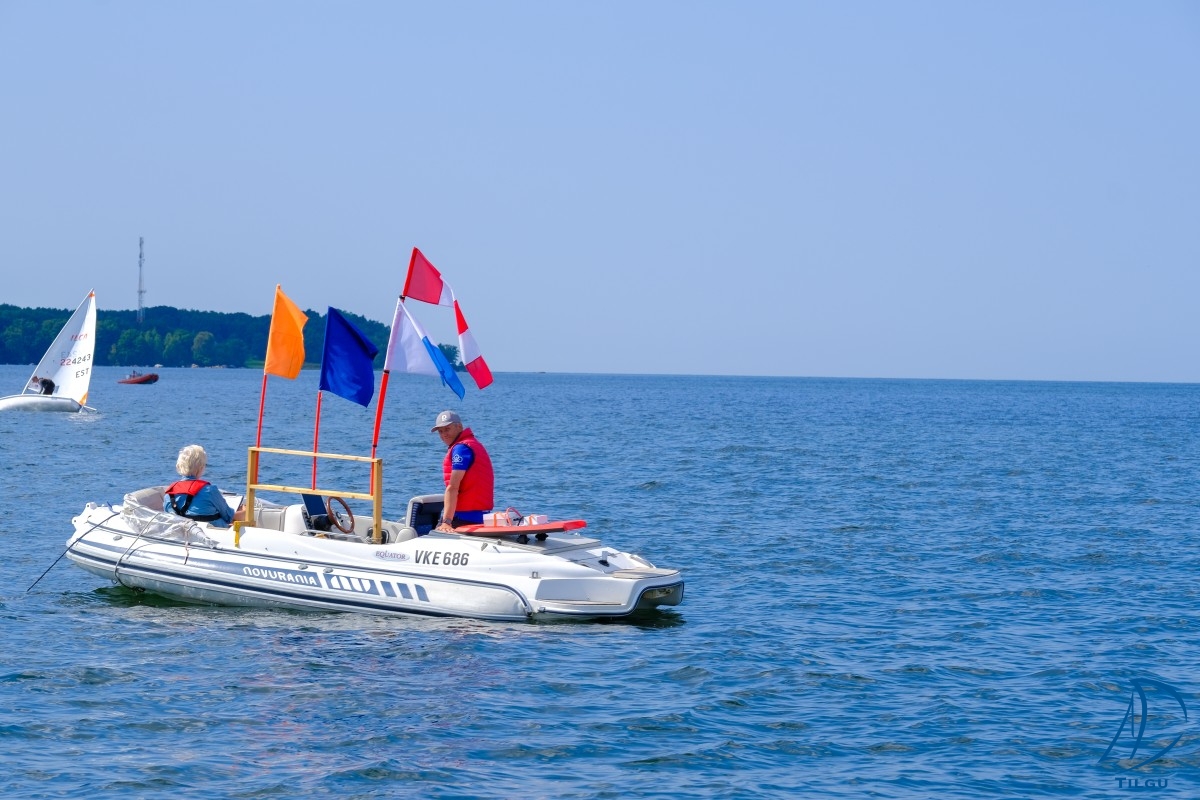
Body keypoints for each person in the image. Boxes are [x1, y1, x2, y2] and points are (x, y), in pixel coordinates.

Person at [431, 410, 494, 531]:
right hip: (481, 516)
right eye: (440, 431)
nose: (444, 434)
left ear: (459, 427)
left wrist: (447, 522)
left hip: (463, 518)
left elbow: (453, 487)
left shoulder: (461, 449)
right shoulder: (473, 444)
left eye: (447, 429)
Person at [163, 444, 245, 528]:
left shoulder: (169, 494)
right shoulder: (210, 491)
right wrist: (245, 512)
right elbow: (228, 517)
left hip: (182, 532)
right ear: (201, 467)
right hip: (213, 533)